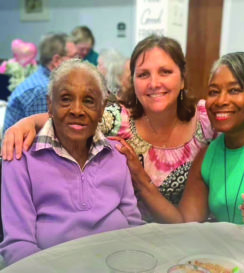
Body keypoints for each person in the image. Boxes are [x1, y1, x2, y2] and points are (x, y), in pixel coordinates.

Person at [1, 35, 215, 222]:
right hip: (130, 235)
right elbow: (72, 115)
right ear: (132, 81)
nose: (154, 83)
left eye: (165, 72)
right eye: (143, 75)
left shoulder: (206, 120)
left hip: (187, 232)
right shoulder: (117, 120)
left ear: (183, 79)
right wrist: (25, 123)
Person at [107, 51, 244, 231]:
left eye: (234, 90)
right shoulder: (208, 155)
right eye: (214, 91)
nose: (221, 101)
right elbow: (184, 224)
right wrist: (141, 179)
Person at [0, 59, 143, 266]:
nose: (77, 110)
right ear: (50, 105)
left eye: (89, 100)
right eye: (66, 99)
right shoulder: (20, 159)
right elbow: (18, 244)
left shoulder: (116, 156)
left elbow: (134, 226)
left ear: (102, 108)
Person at [3, 33, 78, 133]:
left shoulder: (42, 79)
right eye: (74, 57)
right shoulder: (42, 90)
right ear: (57, 60)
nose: (79, 62)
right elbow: (46, 138)